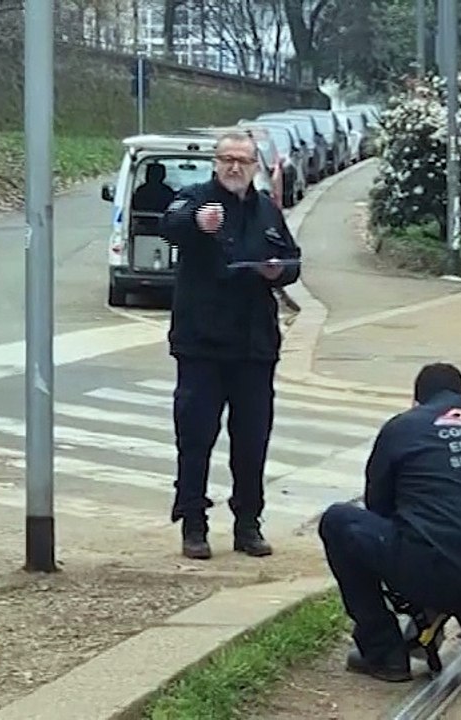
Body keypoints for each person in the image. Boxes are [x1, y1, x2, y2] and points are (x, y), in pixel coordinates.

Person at [318, 363, 461, 682]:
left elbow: (379, 509)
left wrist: (415, 596)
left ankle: (383, 651)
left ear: (417, 401)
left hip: (438, 569)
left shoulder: (404, 426)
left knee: (339, 522)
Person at [158, 131, 303, 560]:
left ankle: (248, 523)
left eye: (242, 160)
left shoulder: (267, 211)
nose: (234, 167)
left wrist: (279, 271)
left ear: (255, 166)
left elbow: (293, 258)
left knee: (252, 440)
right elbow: (171, 225)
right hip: (202, 345)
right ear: (215, 163)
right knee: (196, 437)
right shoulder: (196, 199)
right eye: (227, 159)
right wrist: (198, 225)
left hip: (254, 347)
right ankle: (193, 524)